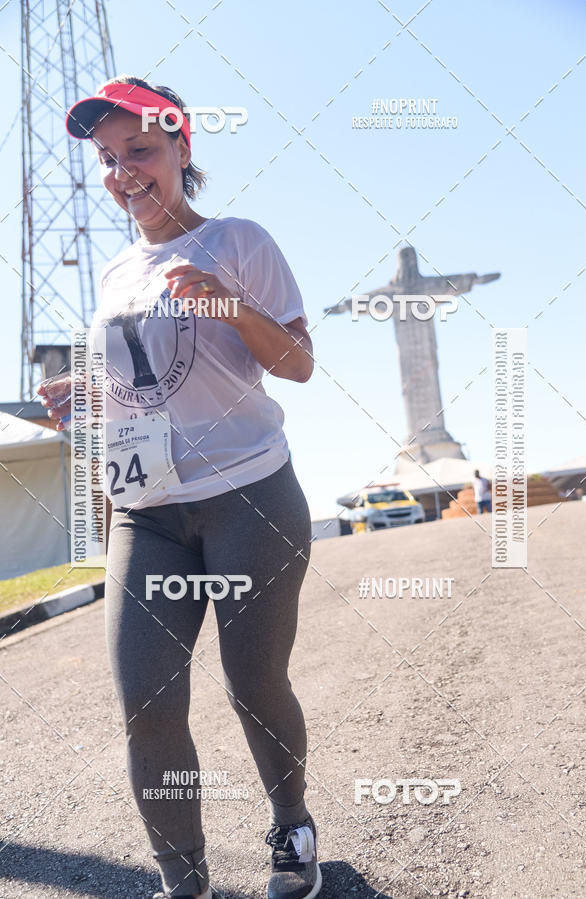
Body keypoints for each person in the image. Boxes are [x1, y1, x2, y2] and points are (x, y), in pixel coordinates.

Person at [38, 75, 321, 899]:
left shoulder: (238, 239)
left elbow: (297, 364)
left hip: (249, 495)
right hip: (147, 509)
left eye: (141, 151)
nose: (123, 170)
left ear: (182, 149)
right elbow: (142, 390)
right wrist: (85, 400)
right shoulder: (118, 273)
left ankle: (292, 827)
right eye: (107, 157)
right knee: (145, 700)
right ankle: (182, 881)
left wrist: (233, 305)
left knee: (254, 682)